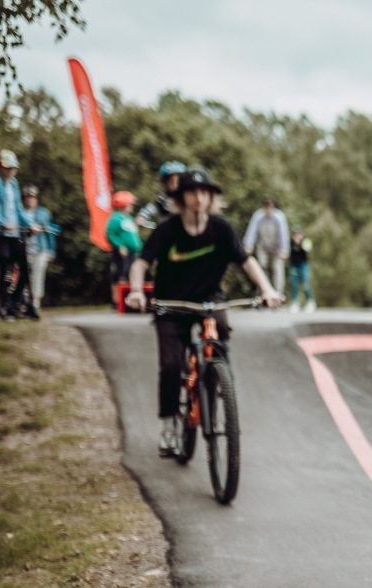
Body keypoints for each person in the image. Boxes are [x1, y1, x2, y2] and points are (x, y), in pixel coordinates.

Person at [125, 167, 283, 456]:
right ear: (180, 198)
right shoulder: (167, 230)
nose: (198, 198)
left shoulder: (221, 228)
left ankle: (221, 380)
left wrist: (267, 289)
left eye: (204, 192)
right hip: (171, 304)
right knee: (171, 365)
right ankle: (169, 427)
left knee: (220, 332)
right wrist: (136, 290)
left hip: (209, 300)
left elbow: (246, 261)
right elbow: (140, 263)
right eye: (192, 192)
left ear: (211, 198)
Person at [0, 149, 39, 320]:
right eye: (7, 168)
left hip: (14, 235)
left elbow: (19, 210)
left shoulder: (13, 184)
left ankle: (13, 304)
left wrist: (30, 224)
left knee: (25, 269)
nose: (10, 171)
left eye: (12, 168)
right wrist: (2, 222)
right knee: (0, 271)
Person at [21, 184, 58, 316]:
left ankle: (36, 303)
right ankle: (25, 303)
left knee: (38, 276)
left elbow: (50, 232)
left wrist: (51, 250)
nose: (30, 200)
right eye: (28, 197)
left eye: (33, 197)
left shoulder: (43, 213)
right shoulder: (20, 212)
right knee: (25, 277)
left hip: (40, 249)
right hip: (24, 249)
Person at [242, 197, 289, 296]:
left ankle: (278, 292)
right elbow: (252, 231)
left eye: (270, 208)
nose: (268, 210)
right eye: (266, 208)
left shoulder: (279, 217)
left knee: (277, 267)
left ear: (273, 207)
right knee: (262, 266)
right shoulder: (258, 216)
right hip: (263, 245)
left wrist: (284, 250)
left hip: (277, 247)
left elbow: (283, 234)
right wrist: (248, 245)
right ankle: (263, 291)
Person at [106, 191, 142, 292]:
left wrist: (137, 225)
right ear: (123, 205)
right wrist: (119, 246)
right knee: (120, 277)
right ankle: (118, 299)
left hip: (133, 253)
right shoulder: (116, 218)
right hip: (122, 254)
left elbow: (131, 234)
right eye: (130, 204)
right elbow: (110, 233)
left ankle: (131, 296)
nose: (132, 206)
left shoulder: (129, 218)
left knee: (133, 275)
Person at [136, 161, 185, 230]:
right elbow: (150, 208)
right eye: (171, 181)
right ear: (165, 183)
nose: (175, 185)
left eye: (178, 181)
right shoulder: (162, 198)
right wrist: (141, 217)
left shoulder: (187, 195)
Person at [286, 226, 316, 313]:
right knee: (294, 284)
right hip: (293, 265)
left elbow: (308, 249)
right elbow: (287, 254)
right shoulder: (290, 243)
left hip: (302, 265)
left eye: (298, 234)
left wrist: (300, 243)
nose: (296, 236)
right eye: (295, 234)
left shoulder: (305, 242)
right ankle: (295, 303)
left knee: (305, 283)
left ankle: (310, 301)